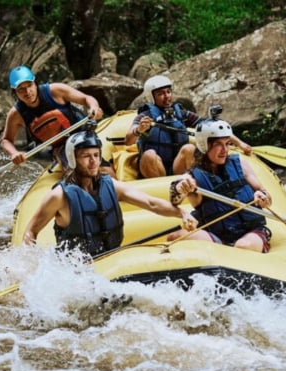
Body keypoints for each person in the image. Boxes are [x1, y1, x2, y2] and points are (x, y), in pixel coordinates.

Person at [22, 130, 198, 255]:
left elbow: (151, 203)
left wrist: (181, 213)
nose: (93, 162)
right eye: (86, 156)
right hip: (76, 270)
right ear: (73, 159)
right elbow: (31, 231)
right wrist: (27, 263)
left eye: (96, 155)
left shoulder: (111, 185)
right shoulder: (59, 196)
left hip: (111, 259)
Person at [167, 119, 273, 253]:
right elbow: (175, 196)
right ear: (204, 145)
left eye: (227, 144)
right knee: (174, 237)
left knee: (243, 247)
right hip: (218, 238)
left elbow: (266, 196)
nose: (225, 150)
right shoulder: (192, 177)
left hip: (252, 231)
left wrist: (263, 197)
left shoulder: (239, 162)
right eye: (218, 144)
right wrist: (180, 188)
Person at [125, 75, 252, 178]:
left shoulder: (181, 114)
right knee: (149, 154)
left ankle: (192, 182)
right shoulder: (145, 116)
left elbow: (214, 127)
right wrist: (139, 130)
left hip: (177, 165)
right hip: (153, 166)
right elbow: (128, 140)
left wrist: (240, 144)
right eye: (161, 94)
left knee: (189, 148)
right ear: (151, 97)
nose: (167, 96)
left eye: (168, 92)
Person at [0, 65, 107, 170]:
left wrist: (94, 107)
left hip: (82, 134)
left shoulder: (56, 91)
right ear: (14, 93)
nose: (27, 92)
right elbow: (6, 140)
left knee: (98, 165)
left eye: (29, 85)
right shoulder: (16, 114)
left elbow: (86, 98)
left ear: (35, 84)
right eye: (21, 89)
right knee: (79, 168)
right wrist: (14, 153)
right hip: (59, 148)